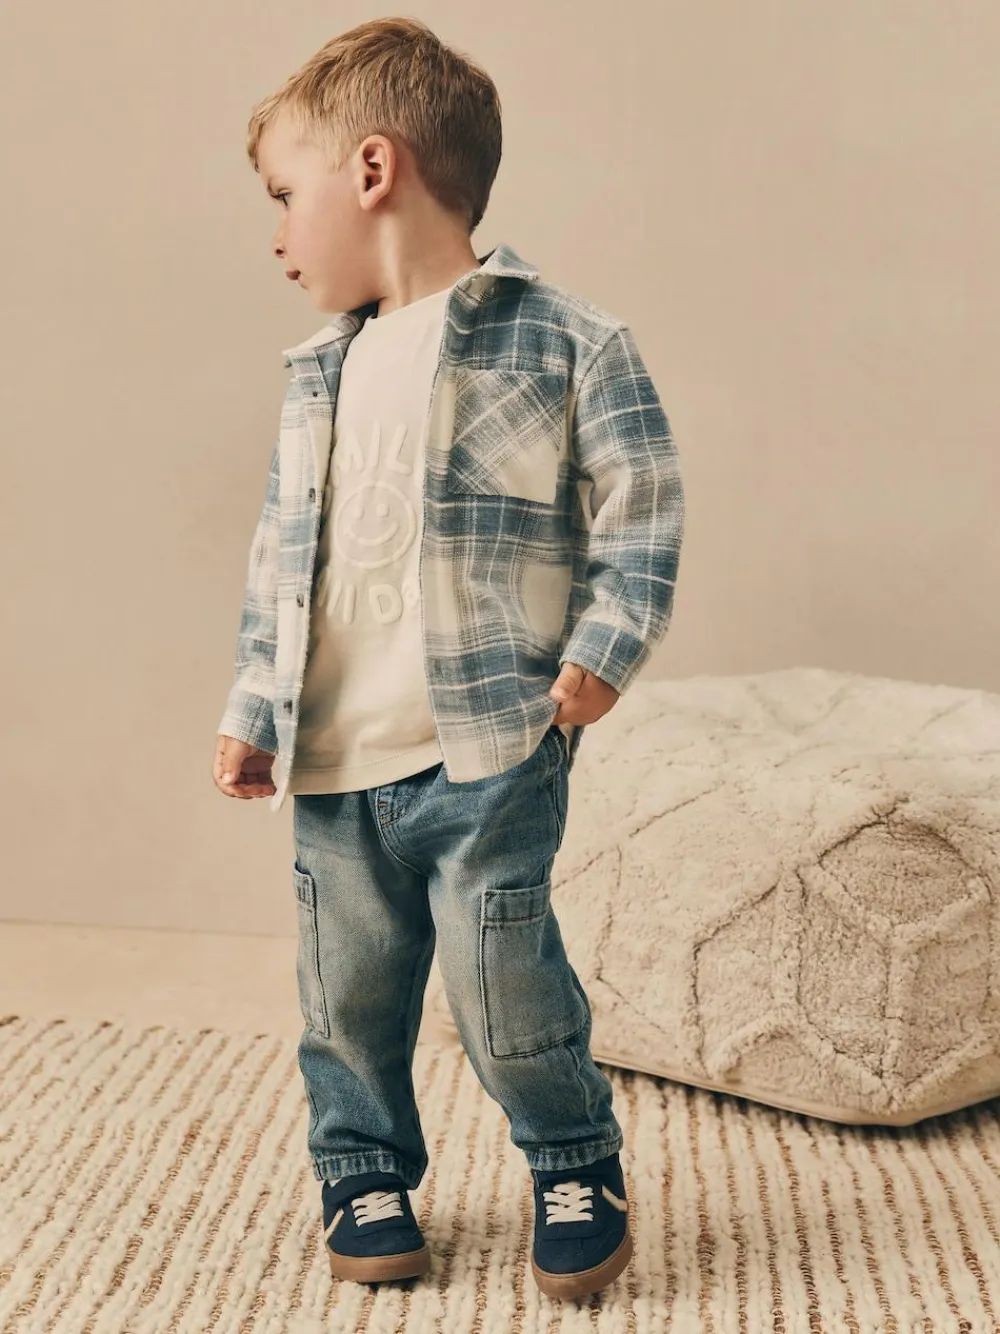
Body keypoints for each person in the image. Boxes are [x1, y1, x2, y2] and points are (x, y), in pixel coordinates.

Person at [212, 15, 684, 1302]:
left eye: (283, 195)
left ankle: (573, 1158)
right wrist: (254, 705)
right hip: (334, 758)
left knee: (503, 986)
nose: (275, 233)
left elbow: (642, 503)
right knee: (346, 997)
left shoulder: (566, 338)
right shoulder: (321, 372)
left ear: (373, 169)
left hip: (488, 745)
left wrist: (603, 649)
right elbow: (280, 559)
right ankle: (362, 1168)